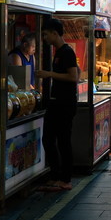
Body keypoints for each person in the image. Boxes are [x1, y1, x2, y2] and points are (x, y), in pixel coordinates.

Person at [36, 19, 79, 191]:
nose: (44, 38)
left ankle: (65, 179)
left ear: (55, 33)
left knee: (63, 141)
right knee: (48, 138)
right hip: (56, 103)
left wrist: (49, 74)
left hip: (64, 104)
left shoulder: (67, 52)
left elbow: (73, 76)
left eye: (46, 34)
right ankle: (56, 176)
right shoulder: (60, 52)